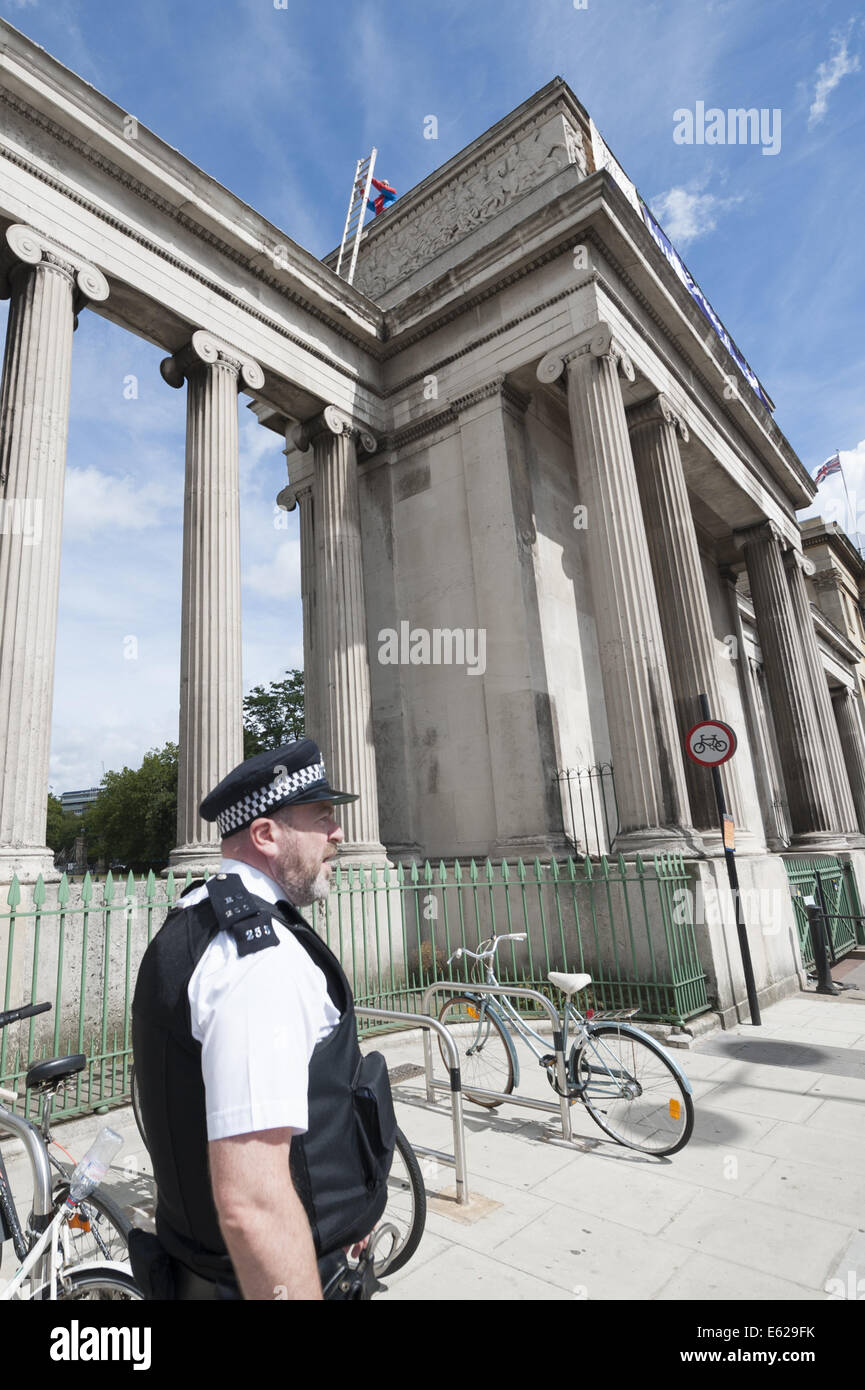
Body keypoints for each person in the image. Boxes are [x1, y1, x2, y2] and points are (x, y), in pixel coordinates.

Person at [130, 738, 397, 1300]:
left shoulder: (195, 915)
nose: (338, 833)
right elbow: (252, 1204)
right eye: (321, 816)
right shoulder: (258, 960)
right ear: (266, 835)